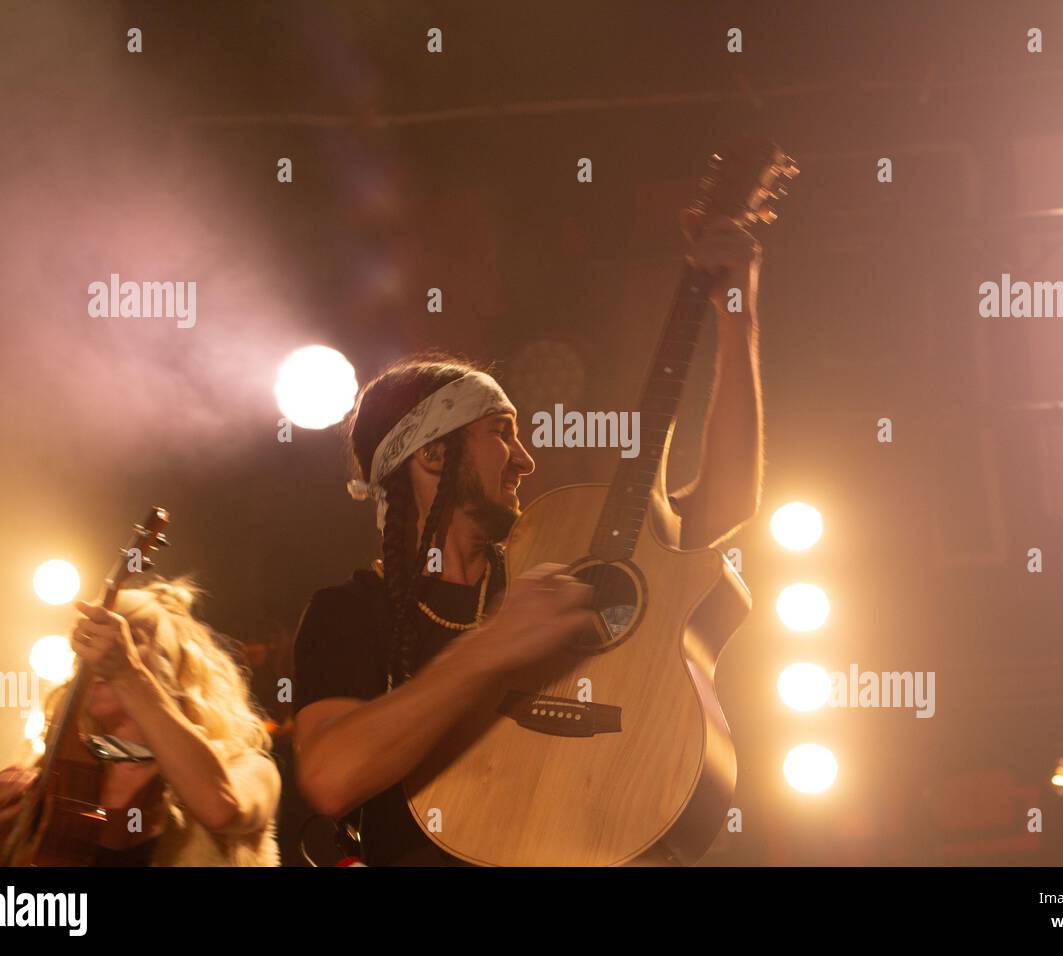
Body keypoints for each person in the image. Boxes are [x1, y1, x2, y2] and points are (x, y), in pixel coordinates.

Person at [293, 210, 765, 865]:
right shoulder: (350, 612)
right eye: (501, 434)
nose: (526, 459)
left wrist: (735, 313)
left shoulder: (556, 566)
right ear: (434, 459)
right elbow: (329, 778)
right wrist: (493, 647)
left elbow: (723, 502)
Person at [0, 576, 281, 866]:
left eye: (133, 637)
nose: (102, 649)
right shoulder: (57, 780)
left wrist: (127, 675)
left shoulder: (248, 768)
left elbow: (220, 808)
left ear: (175, 666)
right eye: (91, 639)